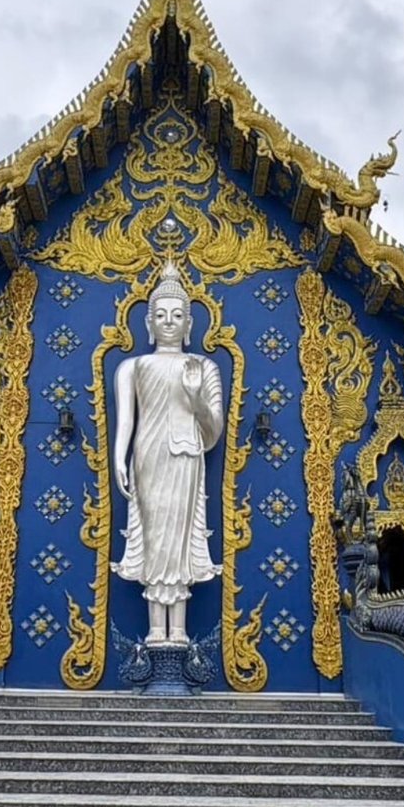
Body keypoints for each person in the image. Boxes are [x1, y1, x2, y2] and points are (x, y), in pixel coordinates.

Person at [110, 260, 224, 645]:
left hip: (188, 456)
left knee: (179, 539)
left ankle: (179, 632)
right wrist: (118, 458)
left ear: (190, 325)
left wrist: (195, 399)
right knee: (155, 538)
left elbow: (213, 432)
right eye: (161, 315)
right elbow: (126, 421)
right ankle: (157, 630)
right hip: (148, 455)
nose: (169, 321)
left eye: (178, 315)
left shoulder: (203, 367)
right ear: (148, 324)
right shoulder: (132, 366)